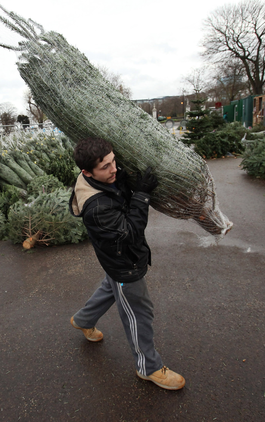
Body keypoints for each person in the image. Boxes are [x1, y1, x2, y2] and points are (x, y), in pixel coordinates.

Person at [67, 137, 185, 391]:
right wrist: (141, 195)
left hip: (116, 259)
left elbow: (117, 189)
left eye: (114, 162)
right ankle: (149, 367)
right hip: (124, 264)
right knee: (139, 312)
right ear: (87, 172)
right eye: (105, 167)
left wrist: (127, 181)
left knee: (111, 287)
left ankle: (83, 319)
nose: (114, 170)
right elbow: (131, 232)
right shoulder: (97, 207)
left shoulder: (98, 179)